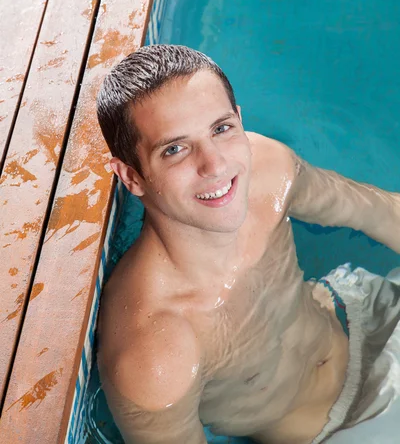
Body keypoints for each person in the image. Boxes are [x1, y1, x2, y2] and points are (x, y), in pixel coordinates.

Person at [96, 44, 400, 444]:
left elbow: (378, 212)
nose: (216, 165)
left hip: (360, 314)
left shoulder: (268, 171)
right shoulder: (156, 354)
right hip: (331, 432)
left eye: (221, 129)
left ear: (239, 121)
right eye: (175, 149)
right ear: (131, 177)